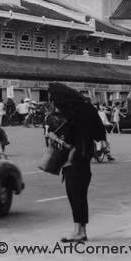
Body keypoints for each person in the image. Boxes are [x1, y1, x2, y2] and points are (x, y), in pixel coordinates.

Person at [46, 82, 107, 242]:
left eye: (53, 98)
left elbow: (68, 140)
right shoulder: (85, 110)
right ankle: (81, 230)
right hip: (83, 158)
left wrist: (55, 137)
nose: (52, 102)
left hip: (74, 159)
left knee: (75, 195)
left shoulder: (72, 115)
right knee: (79, 195)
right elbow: (99, 133)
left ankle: (78, 231)